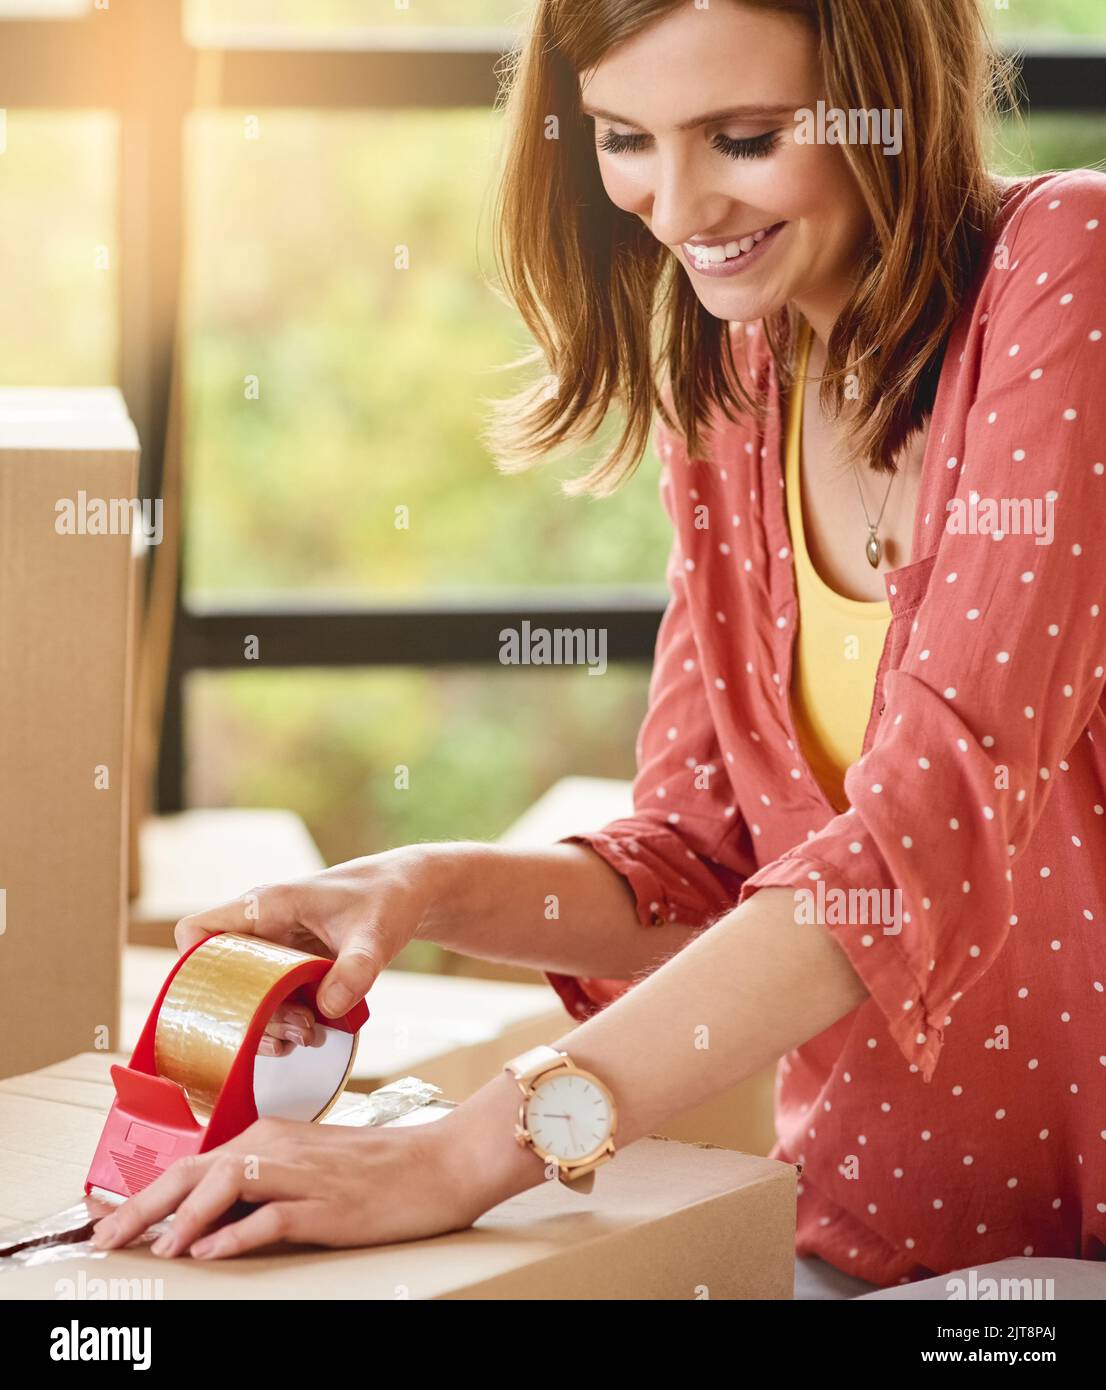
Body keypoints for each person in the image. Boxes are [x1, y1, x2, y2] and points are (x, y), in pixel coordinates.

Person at [94, 0, 1106, 1293]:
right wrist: (424, 887)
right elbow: (700, 865)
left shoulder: (1065, 273)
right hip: (876, 1236)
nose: (676, 206)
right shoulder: (743, 379)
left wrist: (467, 1152)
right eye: (625, 138)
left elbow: (919, 832)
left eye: (741, 136)